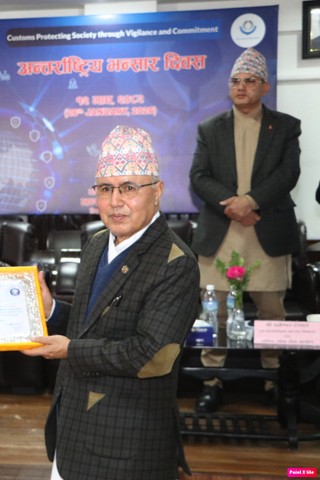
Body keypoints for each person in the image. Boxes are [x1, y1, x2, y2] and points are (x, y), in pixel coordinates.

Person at [23, 125, 199, 479]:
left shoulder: (175, 262)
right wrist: (52, 310)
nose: (115, 201)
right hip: (72, 428)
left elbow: (151, 355)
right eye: (105, 188)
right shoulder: (96, 245)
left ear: (157, 192)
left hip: (126, 440)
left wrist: (70, 350)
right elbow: (92, 324)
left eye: (129, 188)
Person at [189, 47, 301, 413]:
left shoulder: (285, 127)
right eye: (235, 81)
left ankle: (274, 379)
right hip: (222, 231)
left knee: (271, 312)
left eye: (250, 81)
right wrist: (234, 206)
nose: (241, 87)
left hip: (265, 230)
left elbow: (288, 174)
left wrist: (251, 202)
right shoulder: (210, 128)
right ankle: (211, 380)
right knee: (215, 313)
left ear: (265, 87)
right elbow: (198, 177)